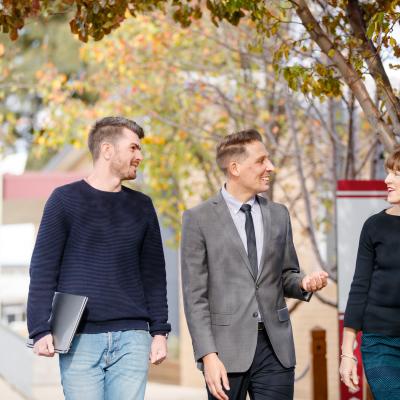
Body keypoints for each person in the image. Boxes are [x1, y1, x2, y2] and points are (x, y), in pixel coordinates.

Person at [27, 116, 170, 400]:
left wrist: (160, 332)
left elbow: (154, 276)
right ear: (107, 150)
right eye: (133, 148)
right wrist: (40, 328)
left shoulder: (142, 206)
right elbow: (43, 269)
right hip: (79, 339)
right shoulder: (64, 200)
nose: (139, 156)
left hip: (133, 338)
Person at [181, 129, 328, 400]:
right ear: (235, 168)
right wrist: (208, 356)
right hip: (225, 353)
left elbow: (286, 275)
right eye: (261, 161)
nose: (270, 167)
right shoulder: (198, 219)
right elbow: (194, 297)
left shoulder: (278, 214)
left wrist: (304, 282)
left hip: (276, 349)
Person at [340, 145, 400, 399]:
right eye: (388, 172)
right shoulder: (374, 226)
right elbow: (359, 287)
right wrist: (347, 353)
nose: (387, 179)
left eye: (397, 173)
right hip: (380, 343)